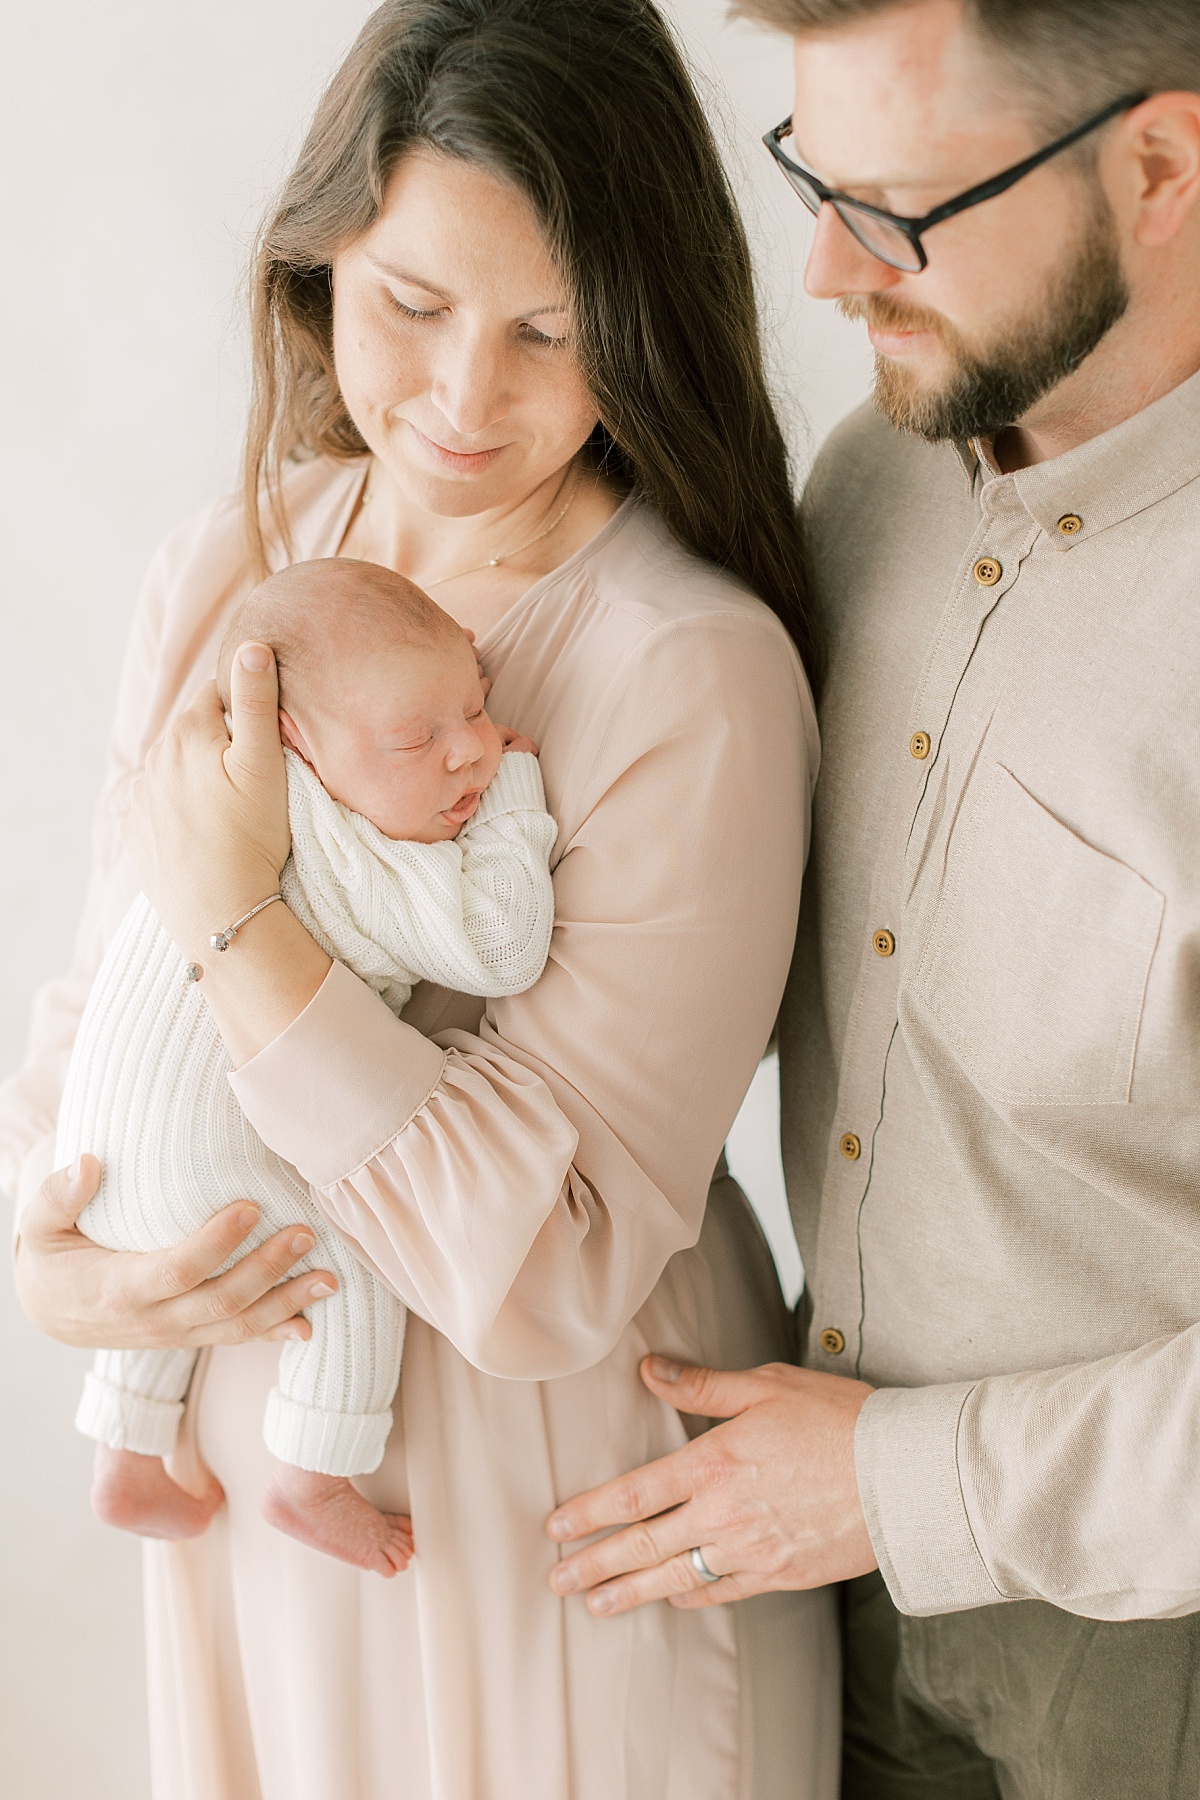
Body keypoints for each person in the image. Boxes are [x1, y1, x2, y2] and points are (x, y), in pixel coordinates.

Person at [0, 2, 839, 1796]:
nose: (468, 399)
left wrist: (250, 930)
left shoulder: (688, 670)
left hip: (537, 1528)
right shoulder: (227, 566)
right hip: (242, 1526)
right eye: (412, 308)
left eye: (551, 330)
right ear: (319, 272)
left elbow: (552, 1276)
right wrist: (61, 1258)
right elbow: (88, 1028)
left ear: (644, 320)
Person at [544, 0, 1200, 1794]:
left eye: (899, 208)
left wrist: (895, 1485)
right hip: (802, 1591)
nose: (827, 272)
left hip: (1149, 1665)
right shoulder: (869, 482)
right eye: (810, 182)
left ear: (1161, 163)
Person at [60, 557, 555, 1577]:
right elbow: (500, 947)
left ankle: (125, 1441)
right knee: (349, 1261)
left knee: (167, 1262)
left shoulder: (208, 792)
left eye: (477, 706)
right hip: (190, 1153)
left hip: (94, 1154)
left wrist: (434, 744)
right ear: (297, 743)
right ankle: (313, 1476)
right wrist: (516, 797)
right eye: (417, 740)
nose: (469, 752)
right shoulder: (342, 845)